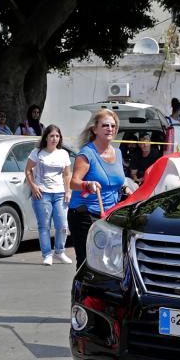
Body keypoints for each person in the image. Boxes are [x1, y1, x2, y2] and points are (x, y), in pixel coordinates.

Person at [68, 109, 126, 268]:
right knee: (88, 262)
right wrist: (87, 184)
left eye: (113, 126)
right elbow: (73, 182)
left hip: (109, 215)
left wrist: (126, 188)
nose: (110, 129)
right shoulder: (87, 153)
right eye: (105, 125)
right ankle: (82, 292)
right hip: (85, 214)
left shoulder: (118, 153)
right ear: (95, 129)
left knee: (109, 262)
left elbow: (116, 181)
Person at [24, 125, 73, 266]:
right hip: (42, 194)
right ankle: (47, 254)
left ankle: (59, 251)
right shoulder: (37, 153)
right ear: (46, 137)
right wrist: (33, 186)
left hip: (59, 194)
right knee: (44, 225)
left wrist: (68, 191)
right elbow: (28, 170)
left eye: (57, 136)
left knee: (62, 225)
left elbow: (66, 174)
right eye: (51, 136)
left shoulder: (63, 153)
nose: (54, 139)